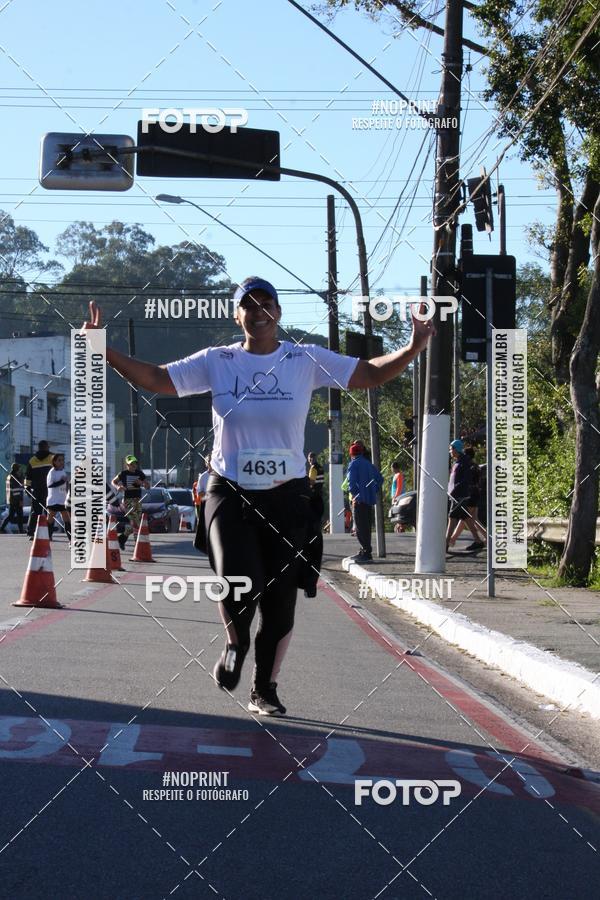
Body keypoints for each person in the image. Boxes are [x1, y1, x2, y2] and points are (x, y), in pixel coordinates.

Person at [82, 276, 434, 716]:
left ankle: (264, 688)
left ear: (279, 313)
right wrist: (104, 350)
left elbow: (367, 374)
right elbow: (156, 379)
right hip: (229, 490)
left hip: (288, 495)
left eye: (266, 303)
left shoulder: (303, 359)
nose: (258, 311)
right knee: (237, 578)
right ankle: (235, 642)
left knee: (281, 600)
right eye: (248, 305)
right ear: (237, 315)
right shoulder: (218, 360)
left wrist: (414, 347)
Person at [347, 441, 384, 562]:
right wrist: (373, 490)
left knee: (359, 527)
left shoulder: (353, 464)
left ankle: (366, 552)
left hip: (359, 501)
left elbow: (351, 484)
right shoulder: (368, 464)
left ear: (352, 454)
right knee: (367, 527)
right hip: (369, 501)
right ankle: (366, 550)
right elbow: (380, 479)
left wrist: (356, 495)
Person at [446, 439, 482, 551]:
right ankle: (478, 540)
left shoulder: (464, 462)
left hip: (459, 496)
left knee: (452, 518)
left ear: (456, 449)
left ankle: (445, 545)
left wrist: (455, 490)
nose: (450, 451)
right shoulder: (456, 462)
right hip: (455, 495)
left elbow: (465, 480)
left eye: (451, 449)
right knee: (466, 518)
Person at [111, 455, 150, 550]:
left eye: (134, 464)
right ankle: (138, 544)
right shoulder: (123, 474)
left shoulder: (140, 473)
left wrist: (142, 483)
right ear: (127, 465)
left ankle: (122, 538)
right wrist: (118, 487)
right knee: (135, 522)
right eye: (131, 464)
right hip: (128, 500)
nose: (133, 466)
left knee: (136, 522)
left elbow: (148, 486)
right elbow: (113, 481)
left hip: (138, 500)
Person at [24, 440, 54, 538]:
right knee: (49, 511)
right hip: (49, 490)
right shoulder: (52, 458)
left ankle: (31, 532)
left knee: (35, 511)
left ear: (39, 448)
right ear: (46, 447)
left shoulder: (32, 460)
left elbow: (28, 476)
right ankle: (48, 534)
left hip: (36, 490)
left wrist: (27, 488)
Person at [46, 453, 71, 542]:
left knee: (67, 519)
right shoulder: (52, 472)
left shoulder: (63, 471)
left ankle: (71, 539)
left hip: (63, 500)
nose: (61, 462)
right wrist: (61, 481)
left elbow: (65, 485)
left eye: (62, 460)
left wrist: (68, 490)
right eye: (59, 460)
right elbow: (50, 485)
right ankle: (48, 536)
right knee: (50, 518)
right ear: (54, 462)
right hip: (53, 500)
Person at [1, 463, 25, 534]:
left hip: (12, 500)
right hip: (16, 500)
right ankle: (21, 531)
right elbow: (17, 490)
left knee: (11, 516)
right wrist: (20, 500)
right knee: (20, 515)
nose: (20, 469)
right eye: (19, 468)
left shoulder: (10, 476)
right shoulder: (15, 477)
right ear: (16, 469)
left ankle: (1, 528)